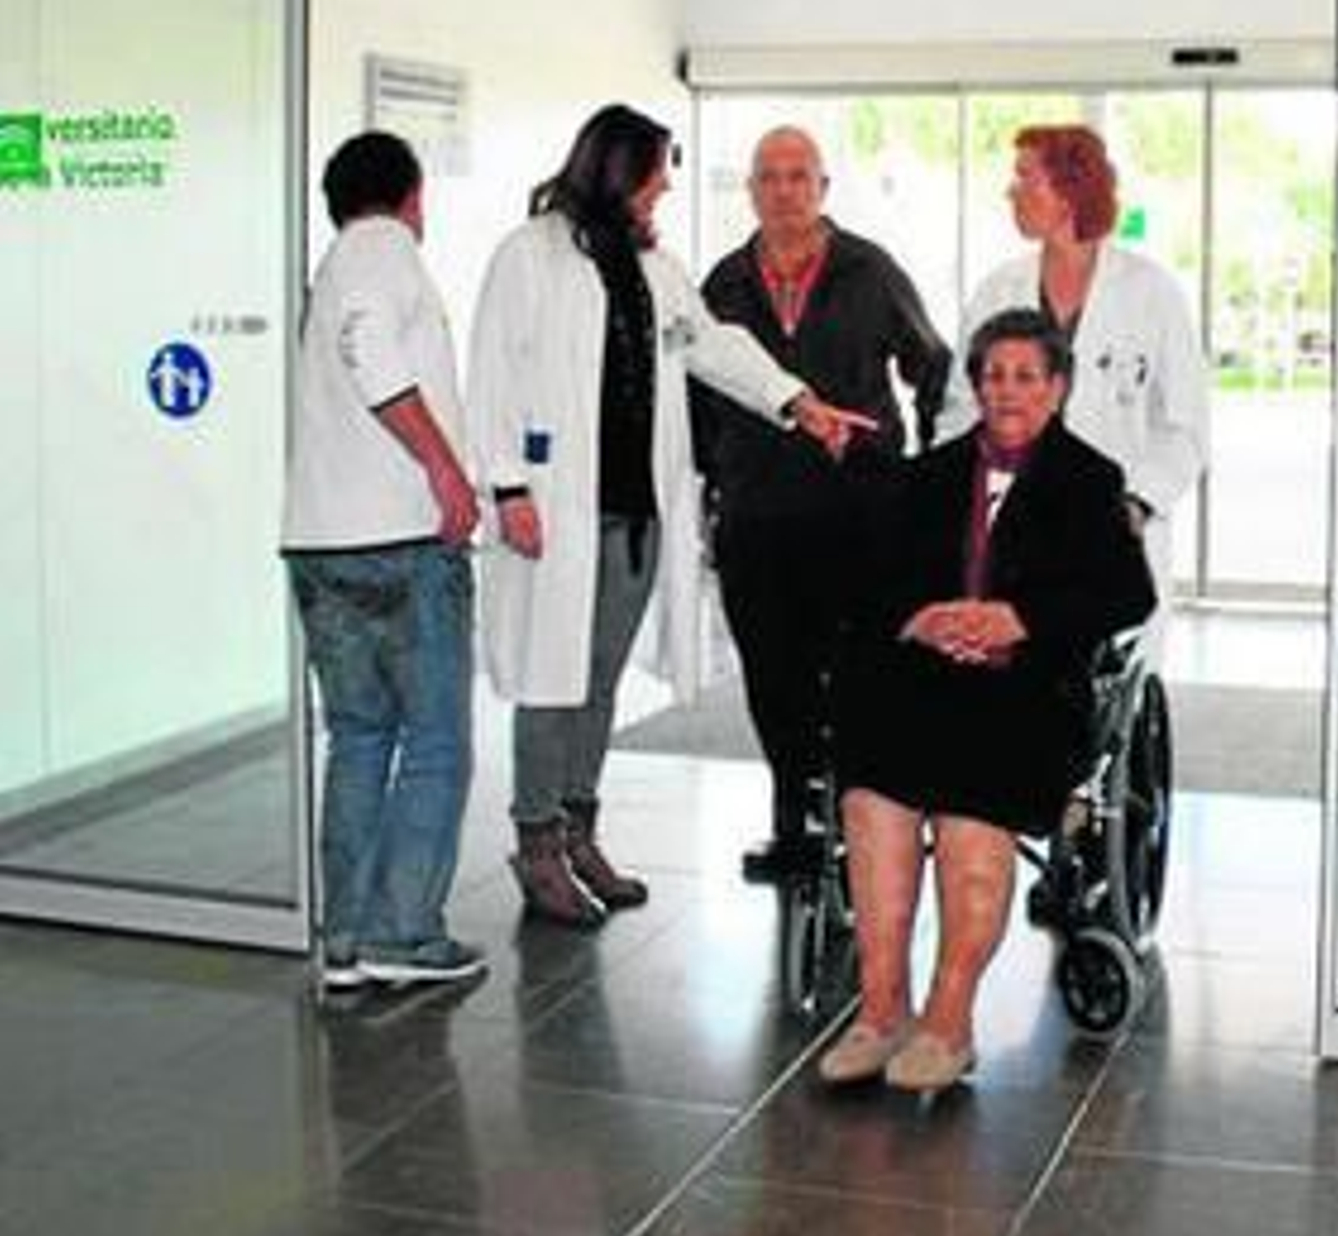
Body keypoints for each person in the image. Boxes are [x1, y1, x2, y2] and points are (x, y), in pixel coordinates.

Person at [468, 104, 875, 929]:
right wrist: (505, 487)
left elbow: (716, 346)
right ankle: (536, 844)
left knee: (598, 680)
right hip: (553, 511)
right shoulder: (530, 257)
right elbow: (491, 376)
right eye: (657, 174)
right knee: (552, 682)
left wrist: (798, 402)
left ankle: (580, 827)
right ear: (617, 171)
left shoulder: (655, 269)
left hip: (636, 516)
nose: (665, 190)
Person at [822, 308, 1155, 1092]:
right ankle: (879, 1011)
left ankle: (947, 1019)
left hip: (1026, 689)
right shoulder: (928, 476)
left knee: (973, 803)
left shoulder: (1089, 479)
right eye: (994, 375)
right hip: (926, 678)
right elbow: (870, 584)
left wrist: (1018, 617)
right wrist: (922, 618)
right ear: (975, 385)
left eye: (1026, 376)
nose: (1007, 390)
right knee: (874, 793)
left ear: (1058, 387)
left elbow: (1124, 593)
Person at [695, 125, 951, 883]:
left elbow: (929, 363)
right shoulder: (723, 283)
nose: (784, 189)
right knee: (774, 676)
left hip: (860, 513)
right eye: (769, 176)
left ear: (823, 187)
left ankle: (862, 824)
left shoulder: (870, 269)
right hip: (757, 517)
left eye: (798, 175)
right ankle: (795, 826)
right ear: (751, 191)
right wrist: (718, 472)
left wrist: (920, 471)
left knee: (858, 673)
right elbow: (698, 386)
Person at [282, 130, 484, 989]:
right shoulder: (384, 254)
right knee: (436, 741)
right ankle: (402, 933)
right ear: (411, 196)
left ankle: (348, 940)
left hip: (323, 542)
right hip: (398, 543)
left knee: (361, 737)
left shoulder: (334, 264)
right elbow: (374, 352)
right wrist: (443, 464)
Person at [943, 123, 1208, 601]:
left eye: (1024, 177)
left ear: (1068, 191)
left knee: (1107, 664)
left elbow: (1186, 428)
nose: (1011, 191)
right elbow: (961, 410)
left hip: (1114, 526)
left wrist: (1135, 505)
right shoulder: (997, 291)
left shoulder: (1151, 293)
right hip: (1009, 523)